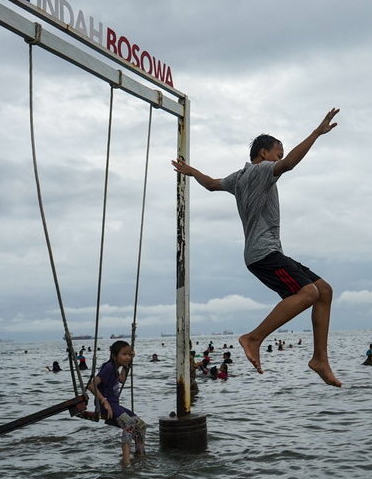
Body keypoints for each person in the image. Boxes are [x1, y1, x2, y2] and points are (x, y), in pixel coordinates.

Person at [171, 109, 342, 387]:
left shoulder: (239, 177)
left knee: (324, 291)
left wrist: (191, 171)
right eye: (278, 153)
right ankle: (254, 337)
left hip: (265, 253)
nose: (280, 158)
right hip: (264, 254)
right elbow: (289, 165)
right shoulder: (263, 171)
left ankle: (320, 359)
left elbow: (213, 184)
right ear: (263, 154)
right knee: (308, 293)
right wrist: (316, 133)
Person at [86, 340, 147, 466]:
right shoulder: (108, 368)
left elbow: (122, 379)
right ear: (114, 356)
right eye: (124, 354)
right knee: (129, 424)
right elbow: (91, 385)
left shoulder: (115, 368)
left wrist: (127, 365)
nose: (128, 357)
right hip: (107, 406)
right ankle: (126, 462)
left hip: (115, 405)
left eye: (129, 355)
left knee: (141, 425)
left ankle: (140, 455)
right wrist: (104, 402)